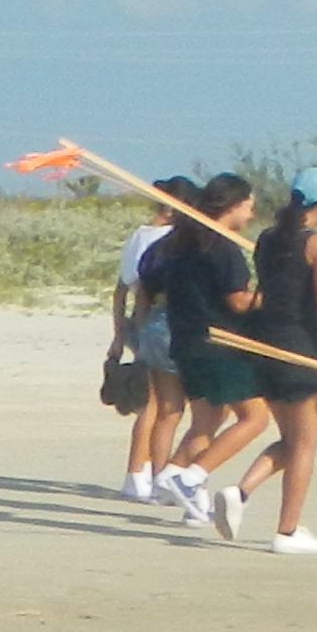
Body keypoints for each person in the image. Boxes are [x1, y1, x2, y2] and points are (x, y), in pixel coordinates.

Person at [228, 166, 317, 553]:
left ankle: (240, 493)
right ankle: (287, 531)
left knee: (291, 440)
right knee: (305, 446)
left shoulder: (268, 238)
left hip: (266, 347)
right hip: (303, 351)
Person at [152, 175, 263, 537]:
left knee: (207, 419)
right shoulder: (222, 246)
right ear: (231, 206)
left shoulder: (185, 241)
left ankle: (173, 476)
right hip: (217, 343)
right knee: (255, 418)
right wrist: (279, 297)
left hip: (186, 341)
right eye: (248, 205)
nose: (251, 213)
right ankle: (192, 477)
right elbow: (238, 301)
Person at [112, 177, 195, 497]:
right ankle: (144, 474)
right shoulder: (172, 239)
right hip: (160, 321)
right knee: (163, 405)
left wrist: (119, 335)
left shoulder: (139, 235)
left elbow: (122, 290)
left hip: (138, 320)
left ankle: (138, 471)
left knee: (152, 403)